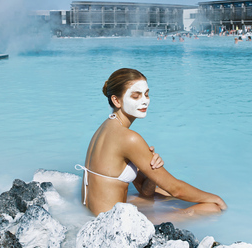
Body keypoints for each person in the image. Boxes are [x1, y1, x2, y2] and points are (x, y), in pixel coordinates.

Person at [76, 68, 227, 218]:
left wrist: (148, 167)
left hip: (94, 215)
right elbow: (176, 189)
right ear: (116, 100)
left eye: (146, 94)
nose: (144, 101)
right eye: (136, 96)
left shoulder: (105, 128)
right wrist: (217, 199)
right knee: (212, 208)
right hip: (111, 225)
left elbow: (146, 192)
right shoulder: (129, 138)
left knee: (162, 193)